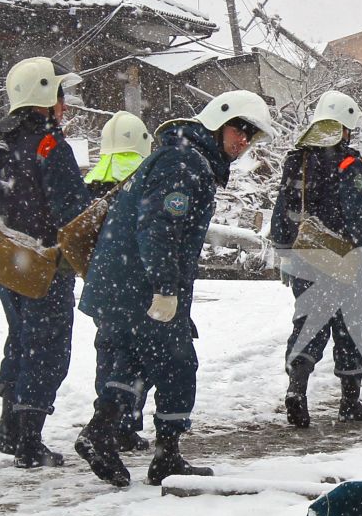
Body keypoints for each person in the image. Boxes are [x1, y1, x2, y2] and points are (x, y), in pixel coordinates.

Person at [74, 89, 275, 487]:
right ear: (218, 122)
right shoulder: (184, 163)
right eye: (241, 130)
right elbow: (160, 228)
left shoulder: (181, 157)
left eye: (250, 135)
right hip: (141, 283)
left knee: (136, 360)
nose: (244, 142)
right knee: (177, 362)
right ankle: (162, 456)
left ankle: (103, 433)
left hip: (124, 281)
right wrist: (165, 289)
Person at [0, 57, 93, 469]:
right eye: (60, 95)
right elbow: (71, 211)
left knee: (20, 340)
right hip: (43, 262)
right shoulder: (49, 147)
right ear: (44, 95)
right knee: (48, 348)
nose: (64, 105)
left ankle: (9, 425)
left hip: (4, 261)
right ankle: (28, 438)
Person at [271, 90, 362, 427]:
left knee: (309, 324)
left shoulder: (296, 159)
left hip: (305, 256)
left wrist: (283, 250)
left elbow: (283, 210)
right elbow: (357, 212)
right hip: (341, 258)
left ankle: (297, 389)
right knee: (349, 327)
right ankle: (350, 403)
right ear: (345, 127)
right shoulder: (349, 163)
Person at [83, 110, 152, 452]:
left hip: (101, 283)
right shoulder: (141, 181)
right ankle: (118, 423)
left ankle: (113, 419)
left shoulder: (94, 182)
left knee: (108, 352)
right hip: (133, 283)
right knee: (136, 355)